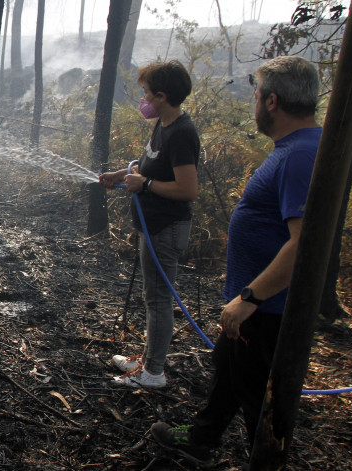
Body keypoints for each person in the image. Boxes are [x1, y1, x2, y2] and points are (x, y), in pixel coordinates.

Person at [149, 55, 322, 467]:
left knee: (256, 397)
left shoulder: (299, 156)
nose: (255, 103)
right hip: (255, 304)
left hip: (266, 308)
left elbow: (303, 246)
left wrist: (249, 298)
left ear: (273, 101)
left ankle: (264, 462)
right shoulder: (296, 148)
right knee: (227, 366)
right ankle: (201, 435)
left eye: (257, 95)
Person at [99, 60, 200, 389]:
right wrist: (121, 175)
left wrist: (144, 186)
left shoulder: (182, 133)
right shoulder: (164, 125)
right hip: (153, 226)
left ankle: (153, 373)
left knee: (158, 300)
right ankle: (148, 359)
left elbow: (188, 189)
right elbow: (151, 166)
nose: (142, 100)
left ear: (160, 96)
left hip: (166, 229)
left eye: (145, 93)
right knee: (152, 296)